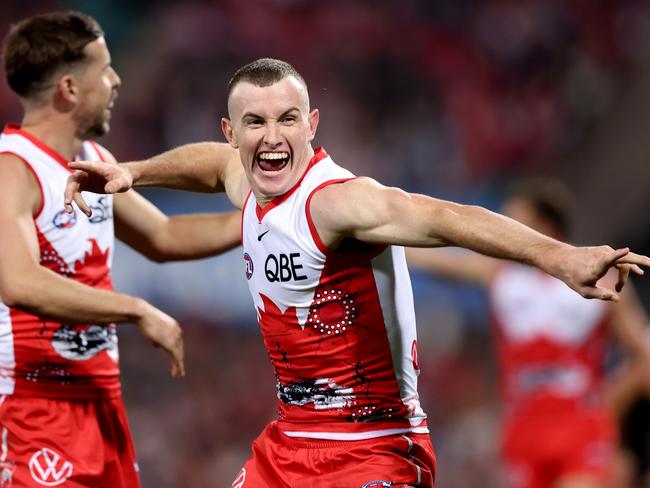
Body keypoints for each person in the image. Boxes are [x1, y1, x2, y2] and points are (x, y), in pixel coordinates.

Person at [64, 58, 650, 488]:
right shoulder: (244, 177)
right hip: (290, 443)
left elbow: (444, 216)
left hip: (376, 448)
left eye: (287, 119)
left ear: (312, 123)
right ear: (231, 133)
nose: (272, 137)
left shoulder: (340, 201)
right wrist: (135, 173)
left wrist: (560, 257)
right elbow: (209, 167)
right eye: (255, 124)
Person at [0, 11, 240, 488]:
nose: (116, 80)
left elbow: (164, 236)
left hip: (102, 409)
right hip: (33, 412)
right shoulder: (13, 170)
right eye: (104, 69)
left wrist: (262, 219)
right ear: (68, 88)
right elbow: (17, 281)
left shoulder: (95, 163)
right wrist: (134, 309)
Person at [406, 180, 650, 488]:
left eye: (512, 224)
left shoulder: (605, 283)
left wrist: (610, 404)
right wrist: (390, 245)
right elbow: (439, 260)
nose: (501, 237)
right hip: (523, 434)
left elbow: (643, 358)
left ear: (544, 227)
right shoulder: (501, 278)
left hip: (579, 432)